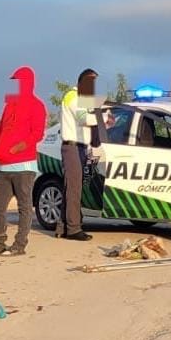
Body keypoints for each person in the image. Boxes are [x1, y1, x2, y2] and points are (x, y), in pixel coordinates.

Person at [0, 66, 47, 258]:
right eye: (15, 82)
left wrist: (19, 147)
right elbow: (2, 129)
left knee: (24, 207)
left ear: (29, 82)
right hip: (3, 165)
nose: (17, 85)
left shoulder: (37, 105)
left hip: (24, 166)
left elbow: (38, 133)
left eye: (20, 81)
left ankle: (19, 245)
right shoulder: (10, 104)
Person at [58, 68, 99, 241]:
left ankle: (62, 226)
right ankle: (73, 229)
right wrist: (103, 119)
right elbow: (84, 119)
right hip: (72, 148)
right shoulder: (72, 97)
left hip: (80, 148)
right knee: (74, 189)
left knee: (72, 188)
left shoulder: (83, 99)